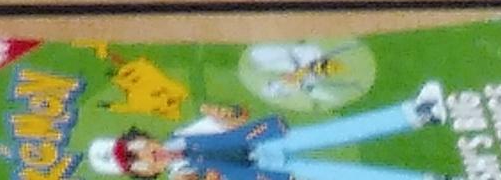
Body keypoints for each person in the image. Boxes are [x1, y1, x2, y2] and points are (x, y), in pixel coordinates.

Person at [87, 81, 450, 178]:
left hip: (269, 142)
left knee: (339, 132)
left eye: (134, 147)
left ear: (142, 137)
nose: (145, 154)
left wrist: (223, 114)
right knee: (343, 174)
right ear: (145, 174)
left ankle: (419, 114)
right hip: (267, 174)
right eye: (135, 162)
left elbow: (237, 120)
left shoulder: (186, 134)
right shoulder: (181, 173)